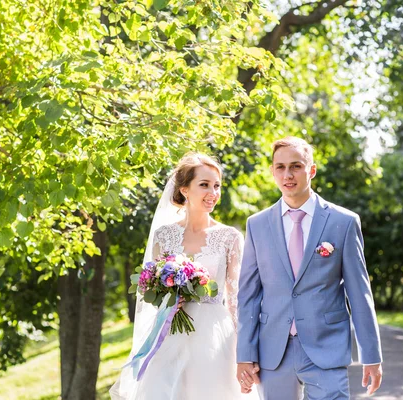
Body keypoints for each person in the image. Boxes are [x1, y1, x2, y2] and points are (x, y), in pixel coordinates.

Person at [236, 136, 383, 399]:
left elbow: (359, 294)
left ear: (311, 170)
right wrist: (245, 355)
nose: (287, 174)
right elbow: (248, 296)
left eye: (296, 166)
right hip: (274, 352)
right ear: (272, 171)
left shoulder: (344, 222)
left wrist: (371, 355)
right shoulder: (256, 225)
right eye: (280, 167)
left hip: (326, 346)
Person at [110, 153, 257, 400]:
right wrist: (167, 299)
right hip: (171, 334)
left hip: (214, 337)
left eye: (217, 185)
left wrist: (244, 352)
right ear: (185, 190)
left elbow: (236, 300)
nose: (213, 192)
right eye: (204, 185)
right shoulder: (163, 236)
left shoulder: (230, 237)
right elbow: (151, 294)